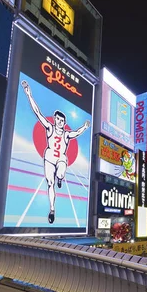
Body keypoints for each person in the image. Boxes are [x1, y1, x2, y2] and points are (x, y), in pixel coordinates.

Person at [22, 80, 91, 224]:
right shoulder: (49, 128)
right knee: (49, 183)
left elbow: (76, 133)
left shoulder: (66, 134)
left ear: (64, 122)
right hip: (49, 158)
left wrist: (85, 127)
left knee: (60, 173)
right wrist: (29, 95)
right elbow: (38, 113)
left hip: (61, 159)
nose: (59, 121)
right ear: (55, 119)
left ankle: (61, 177)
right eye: (57, 119)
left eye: (61, 120)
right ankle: (52, 209)